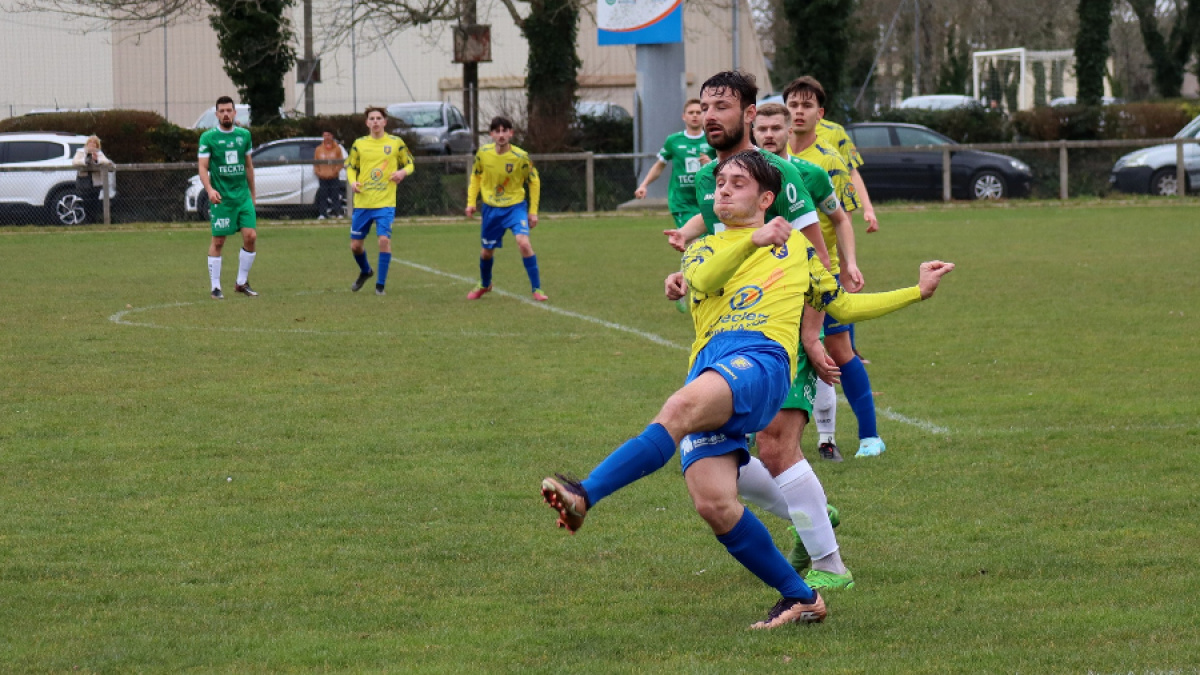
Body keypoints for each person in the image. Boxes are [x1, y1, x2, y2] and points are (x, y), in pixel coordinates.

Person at [541, 149, 955, 628]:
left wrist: (916, 292)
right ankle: (801, 597)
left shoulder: (797, 249)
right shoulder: (701, 249)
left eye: (737, 183)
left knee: (677, 410)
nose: (723, 189)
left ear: (765, 199)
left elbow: (841, 306)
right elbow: (705, 276)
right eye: (721, 183)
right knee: (713, 502)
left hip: (761, 360)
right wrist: (749, 243)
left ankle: (585, 494)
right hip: (710, 366)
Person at [785, 76, 884, 459]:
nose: (798, 112)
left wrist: (848, 266)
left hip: (821, 274)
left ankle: (869, 437)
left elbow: (842, 219)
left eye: (806, 106)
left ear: (820, 113)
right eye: (793, 105)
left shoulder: (828, 159)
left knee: (840, 350)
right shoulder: (766, 157)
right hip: (778, 274)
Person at [664, 71, 830, 272]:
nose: (709, 116)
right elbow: (717, 243)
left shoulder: (779, 170)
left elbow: (819, 258)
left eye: (721, 107)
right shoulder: (704, 176)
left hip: (771, 291)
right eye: (705, 108)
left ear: (750, 114)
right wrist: (685, 276)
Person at [464, 116, 546, 302]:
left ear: (511, 133)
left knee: (523, 243)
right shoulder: (483, 154)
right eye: (497, 131)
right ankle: (485, 284)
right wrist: (471, 202)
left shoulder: (520, 157)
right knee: (486, 252)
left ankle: (537, 288)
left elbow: (534, 181)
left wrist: (533, 211)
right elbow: (476, 177)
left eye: (504, 131)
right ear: (491, 134)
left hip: (515, 207)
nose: (501, 135)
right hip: (491, 209)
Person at [345, 106, 414, 296]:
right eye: (372, 118)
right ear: (367, 123)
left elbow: (410, 164)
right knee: (355, 246)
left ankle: (380, 286)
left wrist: (402, 172)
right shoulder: (359, 144)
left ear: (385, 122)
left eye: (378, 118)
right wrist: (353, 182)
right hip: (363, 202)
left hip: (385, 202)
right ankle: (366, 271)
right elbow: (350, 167)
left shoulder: (395, 143)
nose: (375, 121)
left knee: (384, 240)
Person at [198, 96, 258, 300]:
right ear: (217, 114)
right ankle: (215, 287)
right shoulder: (208, 138)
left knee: (251, 236)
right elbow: (202, 167)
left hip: (242, 196)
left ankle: (241, 282)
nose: (225, 114)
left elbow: (248, 166)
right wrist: (209, 190)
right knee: (218, 241)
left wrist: (253, 195)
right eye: (222, 111)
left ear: (234, 113)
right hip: (222, 198)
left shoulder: (244, 135)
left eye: (228, 110)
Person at [634, 98, 712, 229]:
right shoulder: (674, 140)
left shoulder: (712, 139)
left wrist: (711, 163)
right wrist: (644, 185)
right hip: (681, 201)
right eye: (691, 112)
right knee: (693, 237)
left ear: (704, 116)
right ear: (683, 116)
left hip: (706, 198)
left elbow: (724, 165)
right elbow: (659, 165)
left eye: (698, 112)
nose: (695, 115)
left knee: (708, 238)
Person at [72, 135, 113, 222]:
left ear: (97, 145)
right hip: (84, 181)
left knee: (94, 202)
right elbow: (75, 162)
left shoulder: (99, 153)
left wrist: (96, 159)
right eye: (90, 142)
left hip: (95, 182)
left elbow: (106, 162)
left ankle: (93, 220)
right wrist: (86, 160)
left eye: (94, 143)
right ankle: (87, 220)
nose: (92, 144)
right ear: (87, 144)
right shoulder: (80, 152)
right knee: (86, 202)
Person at [314, 130, 346, 219]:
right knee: (322, 196)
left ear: (332, 136)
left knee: (335, 195)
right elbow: (316, 163)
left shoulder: (337, 149)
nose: (326, 137)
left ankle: (338, 213)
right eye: (324, 135)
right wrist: (319, 172)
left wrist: (334, 172)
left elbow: (340, 162)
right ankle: (322, 214)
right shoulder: (318, 149)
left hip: (334, 176)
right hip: (322, 177)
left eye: (328, 135)